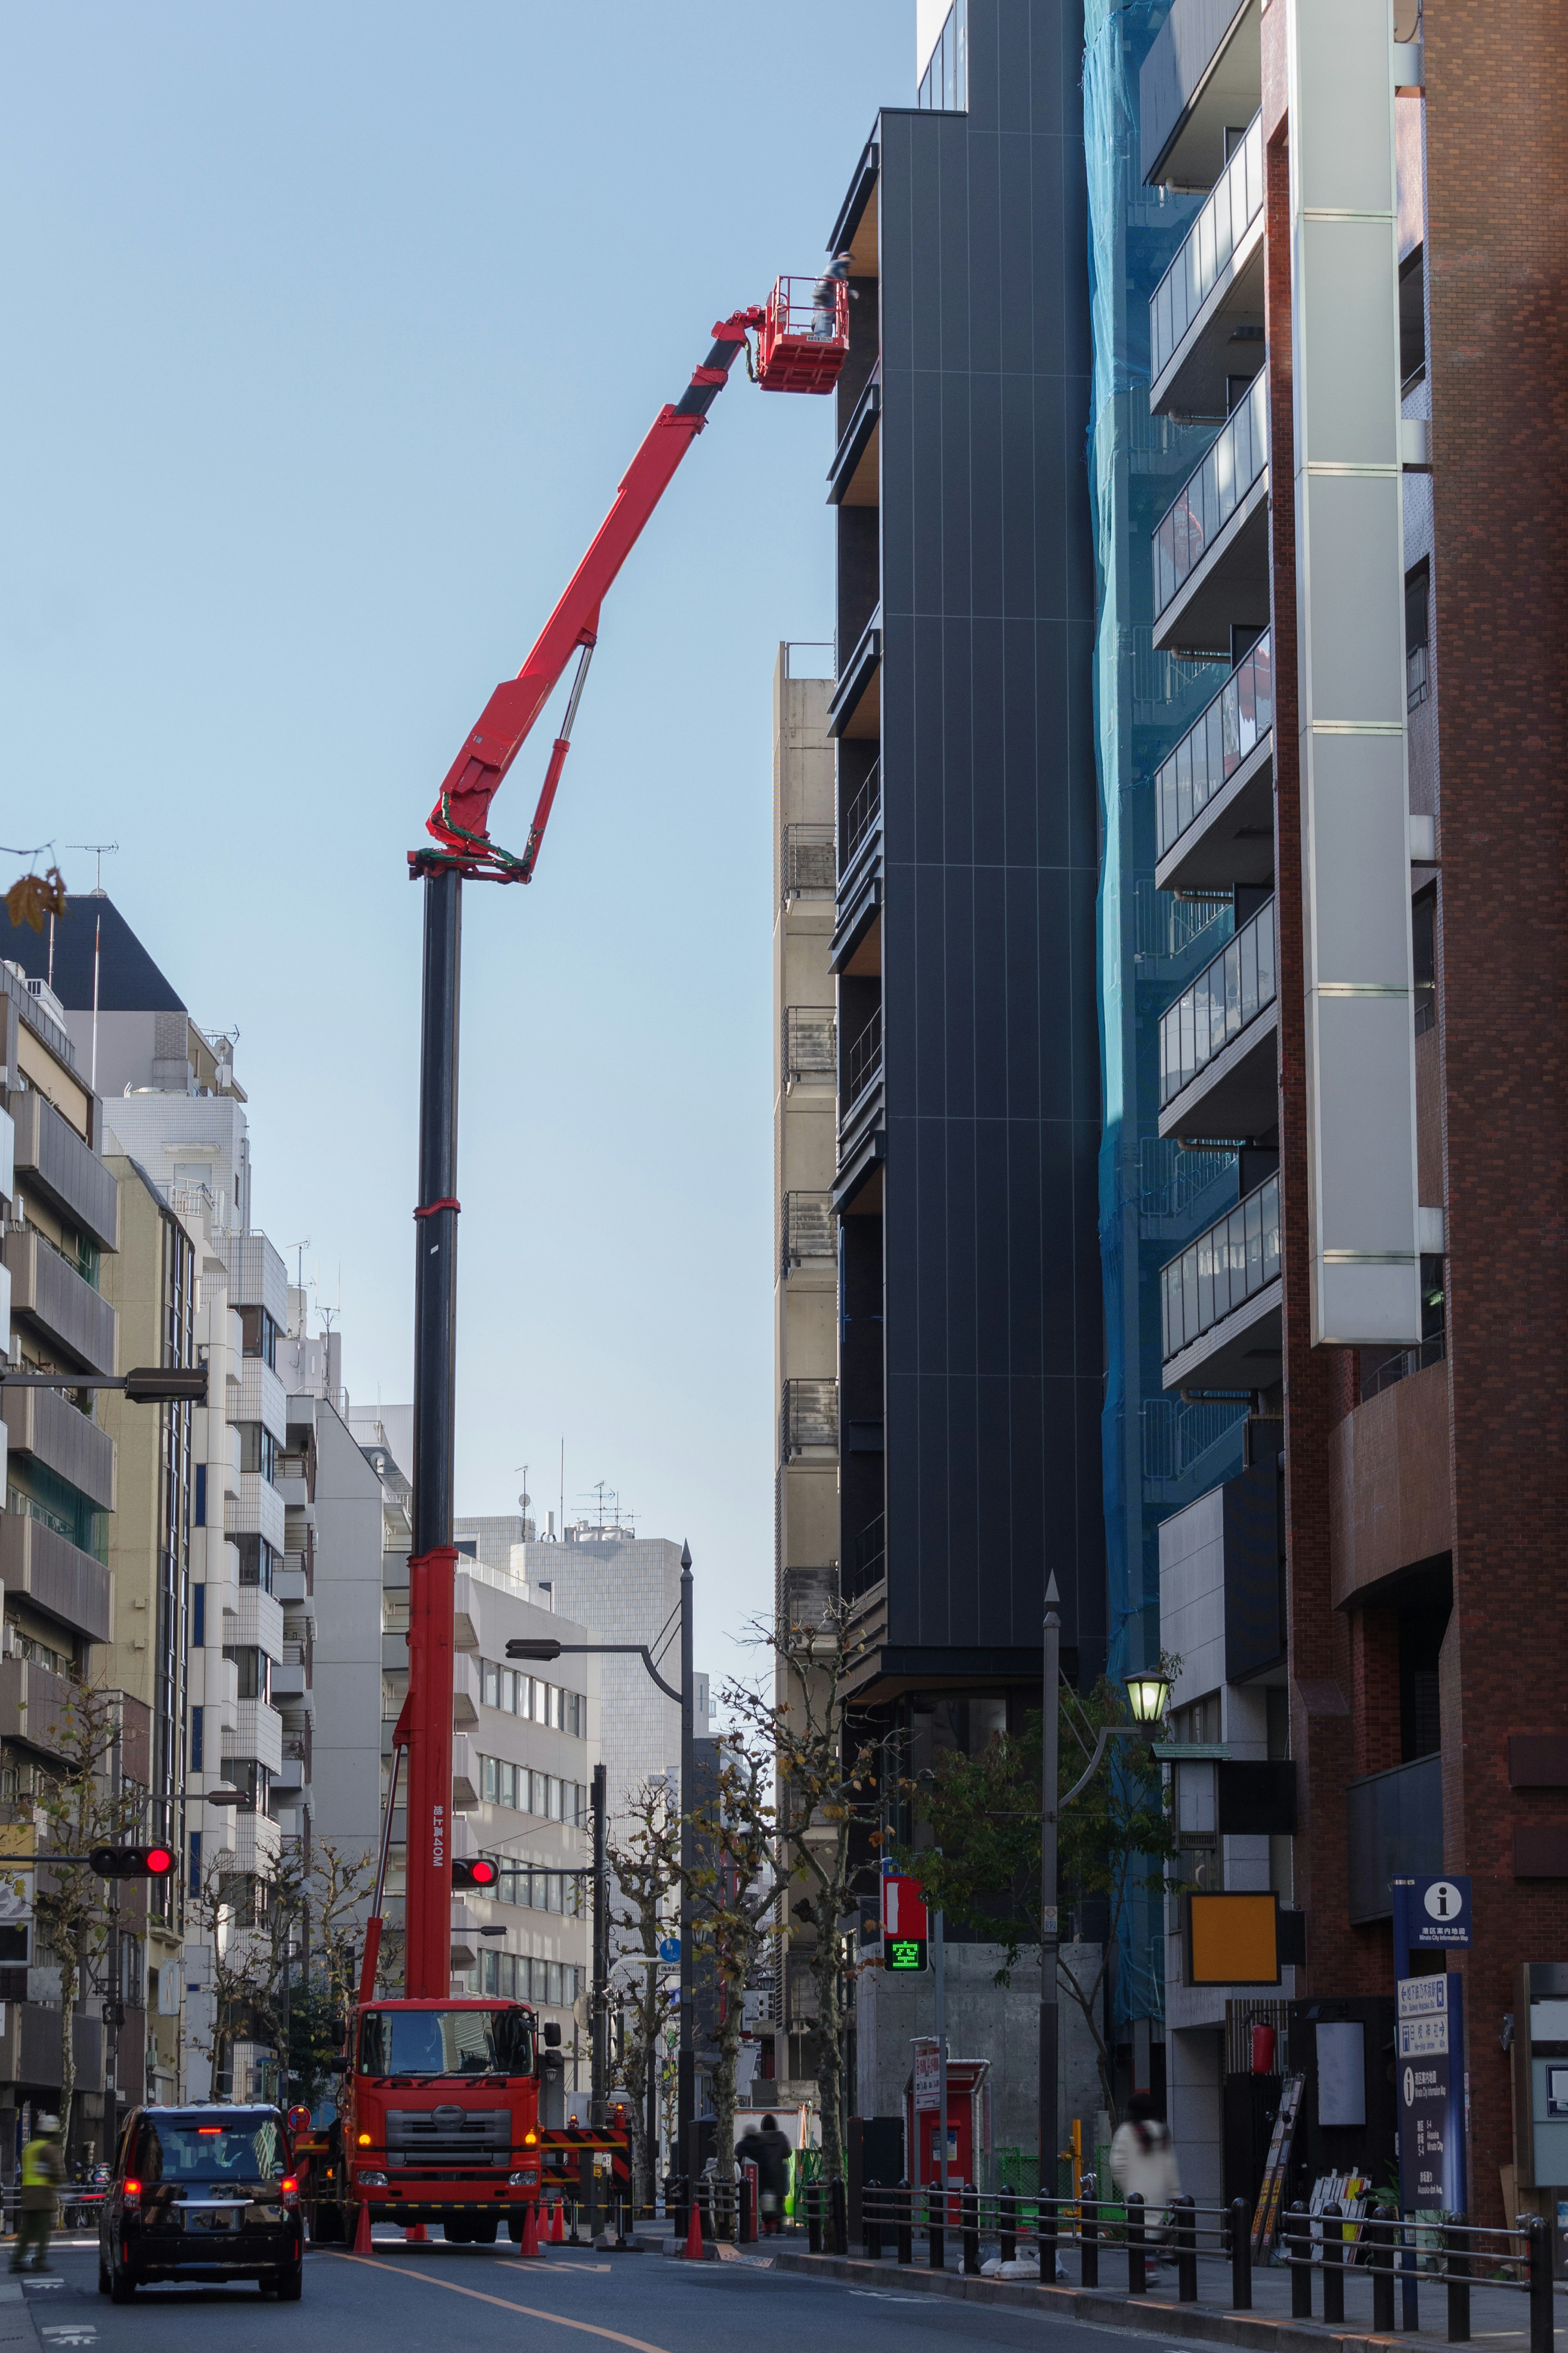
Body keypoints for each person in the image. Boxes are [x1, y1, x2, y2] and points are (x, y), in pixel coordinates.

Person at [1109, 2092, 1180, 2278]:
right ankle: (1152, 2263)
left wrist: (1125, 2186)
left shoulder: (1126, 2132)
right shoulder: (1162, 2131)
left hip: (1135, 2193)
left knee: (1139, 2231)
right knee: (1153, 2229)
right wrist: (1174, 2193)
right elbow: (1169, 2165)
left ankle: (1147, 2267)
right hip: (1157, 2192)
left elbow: (1118, 2164)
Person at [12, 2114, 65, 2274]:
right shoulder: (50, 2149)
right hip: (44, 2194)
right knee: (43, 2230)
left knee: (27, 2230)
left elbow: (26, 2172)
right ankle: (40, 2261)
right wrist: (66, 2192)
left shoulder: (29, 2148)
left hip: (28, 2193)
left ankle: (17, 2261)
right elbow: (57, 2172)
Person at [735, 2112, 789, 2237]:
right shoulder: (781, 2137)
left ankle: (769, 2226)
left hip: (764, 2172)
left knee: (766, 2200)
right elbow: (787, 2153)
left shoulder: (760, 2139)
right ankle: (780, 2226)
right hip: (779, 2174)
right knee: (779, 2200)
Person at [812, 252, 853, 340]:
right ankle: (824, 338)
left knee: (824, 317)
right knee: (826, 316)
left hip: (825, 294)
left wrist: (848, 290)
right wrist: (843, 283)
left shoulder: (839, 265)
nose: (849, 261)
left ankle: (820, 337)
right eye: (848, 258)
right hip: (826, 293)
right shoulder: (837, 264)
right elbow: (835, 274)